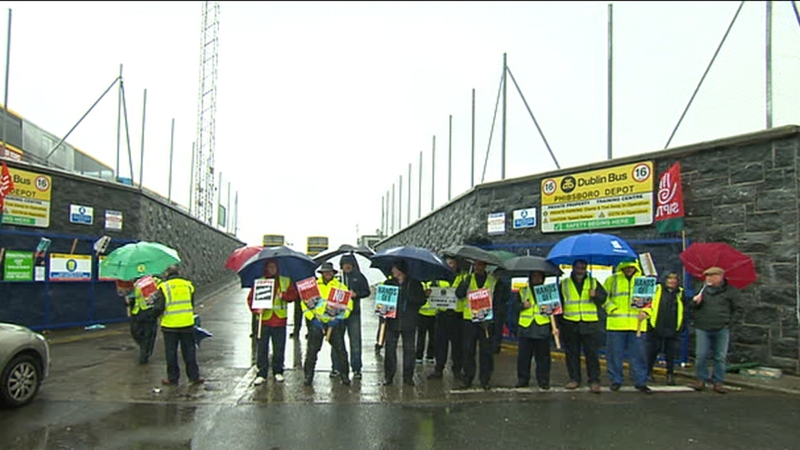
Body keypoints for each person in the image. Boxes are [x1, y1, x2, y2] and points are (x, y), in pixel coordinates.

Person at [689, 266, 742, 394]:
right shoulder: (702, 290)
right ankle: (701, 379)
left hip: (721, 327)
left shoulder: (730, 291)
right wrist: (695, 302)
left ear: (720, 277)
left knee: (720, 357)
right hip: (703, 327)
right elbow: (691, 308)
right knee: (701, 355)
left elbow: (738, 308)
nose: (709, 279)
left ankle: (718, 381)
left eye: (712, 276)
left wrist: (729, 323)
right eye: (707, 276)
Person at [558, 259, 607, 394]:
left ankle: (594, 381)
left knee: (592, 354)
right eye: (578, 268)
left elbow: (603, 298)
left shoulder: (593, 282)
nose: (581, 271)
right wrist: (559, 323)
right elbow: (559, 304)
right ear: (573, 268)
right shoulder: (564, 283)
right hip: (570, 323)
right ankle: (574, 379)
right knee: (572, 354)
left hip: (589, 323)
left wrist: (595, 295)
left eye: (583, 268)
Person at [603, 261, 652, 394]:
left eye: (631, 267)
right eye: (626, 267)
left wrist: (646, 312)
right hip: (616, 324)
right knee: (614, 355)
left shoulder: (644, 281)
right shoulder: (612, 280)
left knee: (639, 355)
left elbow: (651, 302)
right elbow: (603, 297)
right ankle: (615, 380)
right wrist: (611, 309)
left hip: (638, 324)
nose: (629, 269)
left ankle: (640, 381)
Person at [247, 259, 298, 386]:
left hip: (280, 320)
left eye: (274, 267)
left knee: (279, 348)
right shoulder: (260, 281)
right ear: (266, 268)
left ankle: (278, 371)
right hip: (264, 320)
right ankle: (261, 373)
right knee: (262, 348)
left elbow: (294, 296)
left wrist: (284, 296)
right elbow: (250, 299)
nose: (272, 269)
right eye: (269, 267)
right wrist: (256, 309)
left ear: (277, 268)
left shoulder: (285, 280)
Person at [302, 262, 353, 387]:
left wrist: (339, 318)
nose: (327, 274)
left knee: (341, 351)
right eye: (325, 272)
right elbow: (304, 304)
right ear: (322, 273)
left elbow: (348, 305)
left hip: (334, 324)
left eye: (329, 272)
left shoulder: (340, 286)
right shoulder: (313, 286)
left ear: (333, 273)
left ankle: (345, 375)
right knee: (312, 352)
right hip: (317, 323)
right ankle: (308, 376)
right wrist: (312, 318)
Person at [456, 259, 503, 390]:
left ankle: (485, 379)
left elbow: (499, 300)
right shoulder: (467, 279)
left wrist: (493, 319)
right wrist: (464, 285)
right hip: (469, 320)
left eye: (481, 265)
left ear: (485, 266)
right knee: (468, 351)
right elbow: (458, 295)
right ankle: (467, 378)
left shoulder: (493, 281)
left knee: (486, 352)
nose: (478, 267)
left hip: (486, 321)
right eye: (476, 265)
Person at [155, 265, 203, 386]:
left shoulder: (164, 287)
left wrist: (154, 314)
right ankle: (194, 377)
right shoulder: (188, 285)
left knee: (171, 353)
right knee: (189, 351)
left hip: (170, 325)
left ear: (167, 274)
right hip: (187, 323)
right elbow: (191, 303)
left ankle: (173, 378)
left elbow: (159, 307)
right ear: (179, 272)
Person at [381, 260, 426, 386]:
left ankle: (408, 377)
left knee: (409, 351)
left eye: (394, 268)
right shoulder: (389, 283)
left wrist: (408, 296)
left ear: (401, 270)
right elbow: (382, 303)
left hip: (409, 322)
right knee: (389, 350)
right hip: (392, 322)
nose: (392, 271)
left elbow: (421, 300)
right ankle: (389, 376)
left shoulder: (415, 284)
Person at [515, 270, 557, 390]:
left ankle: (543, 380)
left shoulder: (548, 291)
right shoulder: (523, 291)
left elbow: (554, 311)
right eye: (534, 276)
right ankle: (523, 379)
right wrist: (522, 306)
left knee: (543, 358)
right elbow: (514, 306)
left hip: (542, 327)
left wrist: (554, 327)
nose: (537, 279)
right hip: (526, 327)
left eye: (539, 276)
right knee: (523, 357)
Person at [331, 253, 371, 380]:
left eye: (349, 264)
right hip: (339, 314)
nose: (347, 266)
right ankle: (336, 367)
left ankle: (356, 368)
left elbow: (367, 292)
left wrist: (356, 294)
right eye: (344, 264)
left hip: (354, 314)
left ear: (352, 265)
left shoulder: (359, 277)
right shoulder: (336, 278)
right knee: (337, 342)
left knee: (355, 341)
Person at [427, 256, 466, 381]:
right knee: (440, 345)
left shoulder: (463, 277)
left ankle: (457, 370)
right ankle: (438, 369)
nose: (450, 265)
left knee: (457, 346)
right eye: (448, 263)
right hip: (442, 315)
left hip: (457, 315)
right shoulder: (438, 277)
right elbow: (433, 292)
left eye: (452, 263)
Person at [646, 271, 688, 385]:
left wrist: (681, 325)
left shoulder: (680, 292)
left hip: (673, 326)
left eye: (675, 279)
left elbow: (685, 309)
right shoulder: (656, 289)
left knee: (671, 353)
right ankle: (649, 372)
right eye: (670, 278)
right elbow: (647, 304)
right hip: (656, 325)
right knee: (653, 351)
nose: (672, 281)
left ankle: (670, 375)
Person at [415, 286, 437, 364]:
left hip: (435, 314)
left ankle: (430, 356)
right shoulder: (420, 283)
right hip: (422, 314)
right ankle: (419, 356)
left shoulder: (441, 282)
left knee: (433, 337)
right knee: (421, 336)